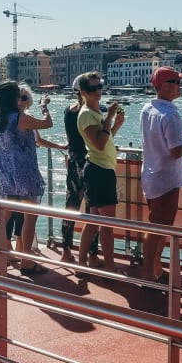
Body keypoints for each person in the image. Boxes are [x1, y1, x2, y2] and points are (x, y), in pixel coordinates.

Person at [0, 80, 53, 274]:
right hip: (24, 170)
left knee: (4, 215)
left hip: (5, 172)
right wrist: (44, 108)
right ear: (13, 99)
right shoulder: (19, 118)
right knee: (29, 216)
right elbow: (47, 124)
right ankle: (26, 259)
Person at [138, 66, 182, 284]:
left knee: (157, 225)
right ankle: (149, 273)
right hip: (166, 178)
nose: (180, 86)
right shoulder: (171, 115)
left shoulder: (147, 108)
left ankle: (156, 268)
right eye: (176, 82)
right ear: (164, 86)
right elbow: (176, 151)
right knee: (158, 228)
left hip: (150, 174)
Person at [76, 71, 125, 271]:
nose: (97, 91)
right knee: (106, 223)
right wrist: (110, 117)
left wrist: (115, 125)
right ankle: (110, 267)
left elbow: (105, 140)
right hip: (99, 170)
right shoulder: (87, 114)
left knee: (94, 220)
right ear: (83, 92)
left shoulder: (95, 112)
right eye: (92, 88)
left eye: (99, 86)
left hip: (100, 169)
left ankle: (81, 264)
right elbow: (98, 143)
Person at [59, 77, 99, 265]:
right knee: (93, 208)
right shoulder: (90, 112)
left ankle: (66, 250)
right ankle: (92, 253)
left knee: (71, 205)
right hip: (91, 161)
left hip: (74, 160)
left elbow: (69, 138)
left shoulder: (69, 111)